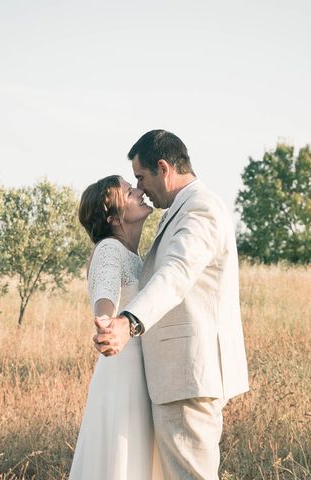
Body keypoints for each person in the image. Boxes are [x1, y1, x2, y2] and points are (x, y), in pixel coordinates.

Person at [93, 130, 249, 480]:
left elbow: (176, 274)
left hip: (185, 375)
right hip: (178, 376)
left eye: (141, 177)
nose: (141, 188)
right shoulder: (182, 209)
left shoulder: (199, 209)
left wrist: (127, 321)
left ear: (163, 167)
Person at [69, 175, 163, 480]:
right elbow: (105, 293)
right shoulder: (110, 249)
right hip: (124, 376)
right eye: (128, 190)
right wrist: (106, 323)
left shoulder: (134, 256)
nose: (138, 190)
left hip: (141, 372)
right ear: (113, 217)